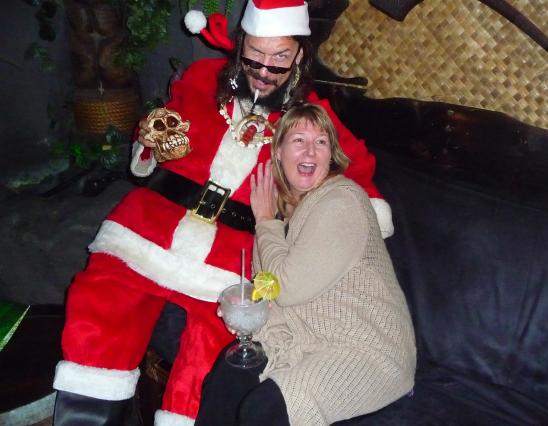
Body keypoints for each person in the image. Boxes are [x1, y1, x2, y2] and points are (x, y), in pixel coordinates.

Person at [51, 1, 394, 425]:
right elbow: (160, 133)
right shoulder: (201, 78)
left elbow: (356, 173)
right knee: (99, 305)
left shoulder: (312, 118)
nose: (264, 70)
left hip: (231, 254)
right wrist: (150, 145)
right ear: (240, 45)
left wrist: (337, 222)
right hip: (150, 226)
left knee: (211, 357)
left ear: (299, 56)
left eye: (279, 57)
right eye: (255, 54)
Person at [195, 103, 416, 426]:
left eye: (321, 142)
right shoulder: (288, 216)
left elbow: (286, 288)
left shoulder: (342, 200)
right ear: (279, 152)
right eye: (299, 140)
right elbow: (268, 287)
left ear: (331, 156)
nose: (310, 151)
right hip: (305, 338)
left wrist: (265, 221)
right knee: (229, 376)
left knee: (263, 408)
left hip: (367, 350)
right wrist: (246, 311)